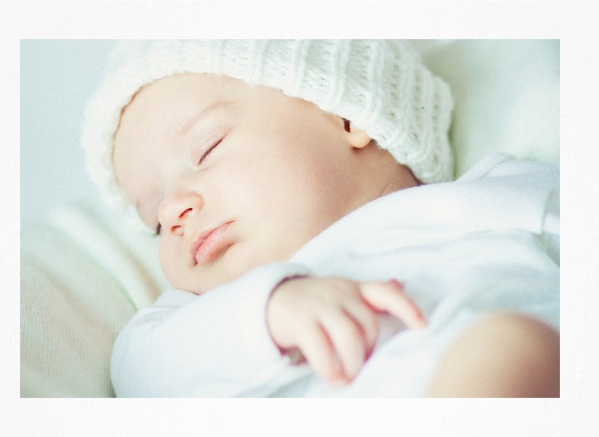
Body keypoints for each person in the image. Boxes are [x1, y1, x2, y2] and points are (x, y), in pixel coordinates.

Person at [82, 40, 560, 397]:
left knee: (510, 348)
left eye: (207, 149)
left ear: (349, 117)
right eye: (156, 220)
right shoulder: (196, 319)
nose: (173, 212)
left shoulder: (501, 199)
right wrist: (266, 314)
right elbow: (142, 377)